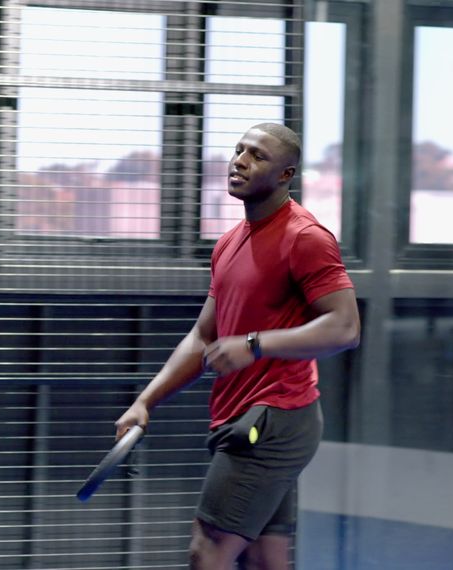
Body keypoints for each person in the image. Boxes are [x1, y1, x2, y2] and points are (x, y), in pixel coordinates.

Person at [114, 123, 360, 569]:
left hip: (274, 421)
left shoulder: (305, 238)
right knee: (265, 559)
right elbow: (203, 336)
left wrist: (255, 344)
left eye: (257, 155)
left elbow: (344, 327)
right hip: (243, 415)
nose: (240, 161)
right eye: (238, 150)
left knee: (208, 551)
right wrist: (145, 401)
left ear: (285, 175)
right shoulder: (229, 242)